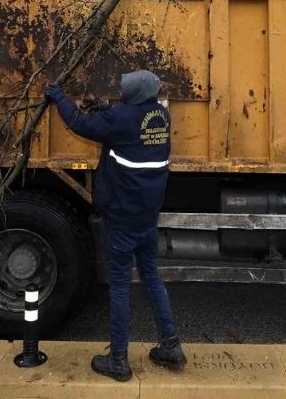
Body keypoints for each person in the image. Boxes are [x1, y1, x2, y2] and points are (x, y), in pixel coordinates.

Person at [44, 71, 186, 382]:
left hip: (123, 218)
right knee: (151, 278)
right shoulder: (160, 115)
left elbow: (80, 125)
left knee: (120, 286)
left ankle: (118, 360)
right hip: (148, 216)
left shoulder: (122, 119)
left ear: (131, 96)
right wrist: (104, 109)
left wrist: (59, 97)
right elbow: (127, 121)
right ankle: (171, 346)